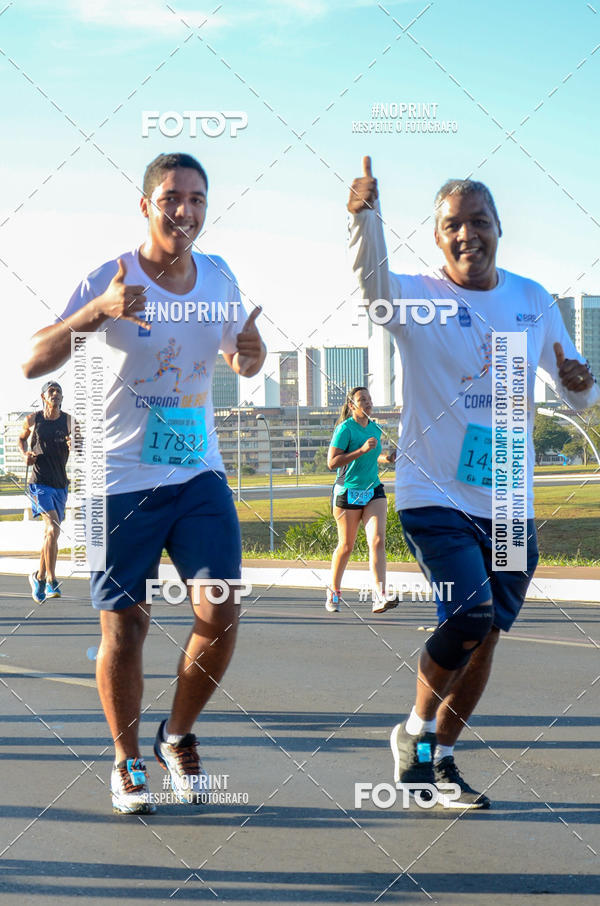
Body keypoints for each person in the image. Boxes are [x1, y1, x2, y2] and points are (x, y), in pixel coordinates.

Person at [347, 156, 599, 808]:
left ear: (499, 227)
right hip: (434, 492)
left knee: (487, 637)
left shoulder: (532, 300)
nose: (468, 234)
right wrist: (365, 219)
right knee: (469, 613)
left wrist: (581, 384)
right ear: (437, 237)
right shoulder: (418, 298)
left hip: (509, 497)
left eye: (479, 221)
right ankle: (413, 731)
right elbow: (372, 287)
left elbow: (576, 390)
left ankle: (441, 758)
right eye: (453, 225)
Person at [22, 152, 266, 815]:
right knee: (125, 629)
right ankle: (126, 759)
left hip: (197, 472)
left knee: (220, 610)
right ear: (146, 205)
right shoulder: (109, 276)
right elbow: (32, 360)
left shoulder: (219, 276)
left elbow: (240, 356)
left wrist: (251, 356)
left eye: (197, 198)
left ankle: (176, 735)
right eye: (171, 197)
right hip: (117, 482)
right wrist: (96, 312)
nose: (185, 210)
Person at [327, 387, 396, 614]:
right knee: (346, 546)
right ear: (352, 405)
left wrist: (388, 458)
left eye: (369, 399)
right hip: (348, 491)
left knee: (377, 540)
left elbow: (374, 457)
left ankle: (379, 595)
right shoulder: (345, 429)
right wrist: (361, 450)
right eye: (362, 399)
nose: (368, 402)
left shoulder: (375, 428)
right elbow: (332, 462)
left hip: (373, 489)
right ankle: (334, 591)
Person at [19, 381, 71, 603]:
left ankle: (38, 577)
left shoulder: (69, 421)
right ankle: (51, 580)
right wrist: (25, 454)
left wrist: (76, 444)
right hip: (39, 483)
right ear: (43, 396)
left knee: (52, 534)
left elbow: (81, 445)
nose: (56, 394)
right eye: (51, 391)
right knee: (52, 527)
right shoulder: (33, 419)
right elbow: (21, 439)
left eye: (59, 391)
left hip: (61, 484)